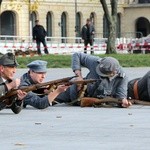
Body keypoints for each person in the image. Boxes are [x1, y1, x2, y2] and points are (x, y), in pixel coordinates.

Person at [55, 52, 131, 108]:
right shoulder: (96, 62)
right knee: (52, 99)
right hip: (76, 91)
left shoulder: (122, 77)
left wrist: (123, 103)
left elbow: (121, 97)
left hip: (93, 101)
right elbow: (77, 55)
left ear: (114, 72)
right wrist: (79, 76)